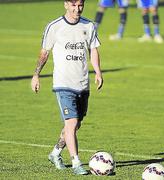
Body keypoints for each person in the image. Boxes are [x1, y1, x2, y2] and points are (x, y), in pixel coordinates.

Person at [30, 0, 103, 175]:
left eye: (80, 5)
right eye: (73, 5)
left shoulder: (89, 25)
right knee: (71, 122)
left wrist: (98, 72)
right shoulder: (54, 27)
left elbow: (93, 49)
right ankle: (76, 162)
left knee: (76, 125)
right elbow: (44, 52)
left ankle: (55, 153)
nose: (77, 9)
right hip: (63, 83)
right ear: (65, 5)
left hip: (83, 83)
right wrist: (36, 75)